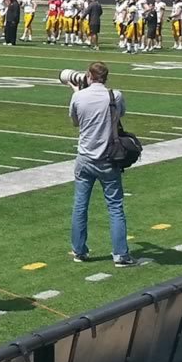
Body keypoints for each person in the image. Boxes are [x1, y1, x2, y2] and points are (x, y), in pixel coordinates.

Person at [69, 62, 134, 266]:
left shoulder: (78, 96)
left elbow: (75, 122)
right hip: (109, 158)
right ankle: (120, 254)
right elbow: (120, 115)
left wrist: (78, 92)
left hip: (85, 157)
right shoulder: (115, 96)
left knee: (80, 205)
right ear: (106, 77)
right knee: (115, 206)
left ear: (89, 75)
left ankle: (79, 250)